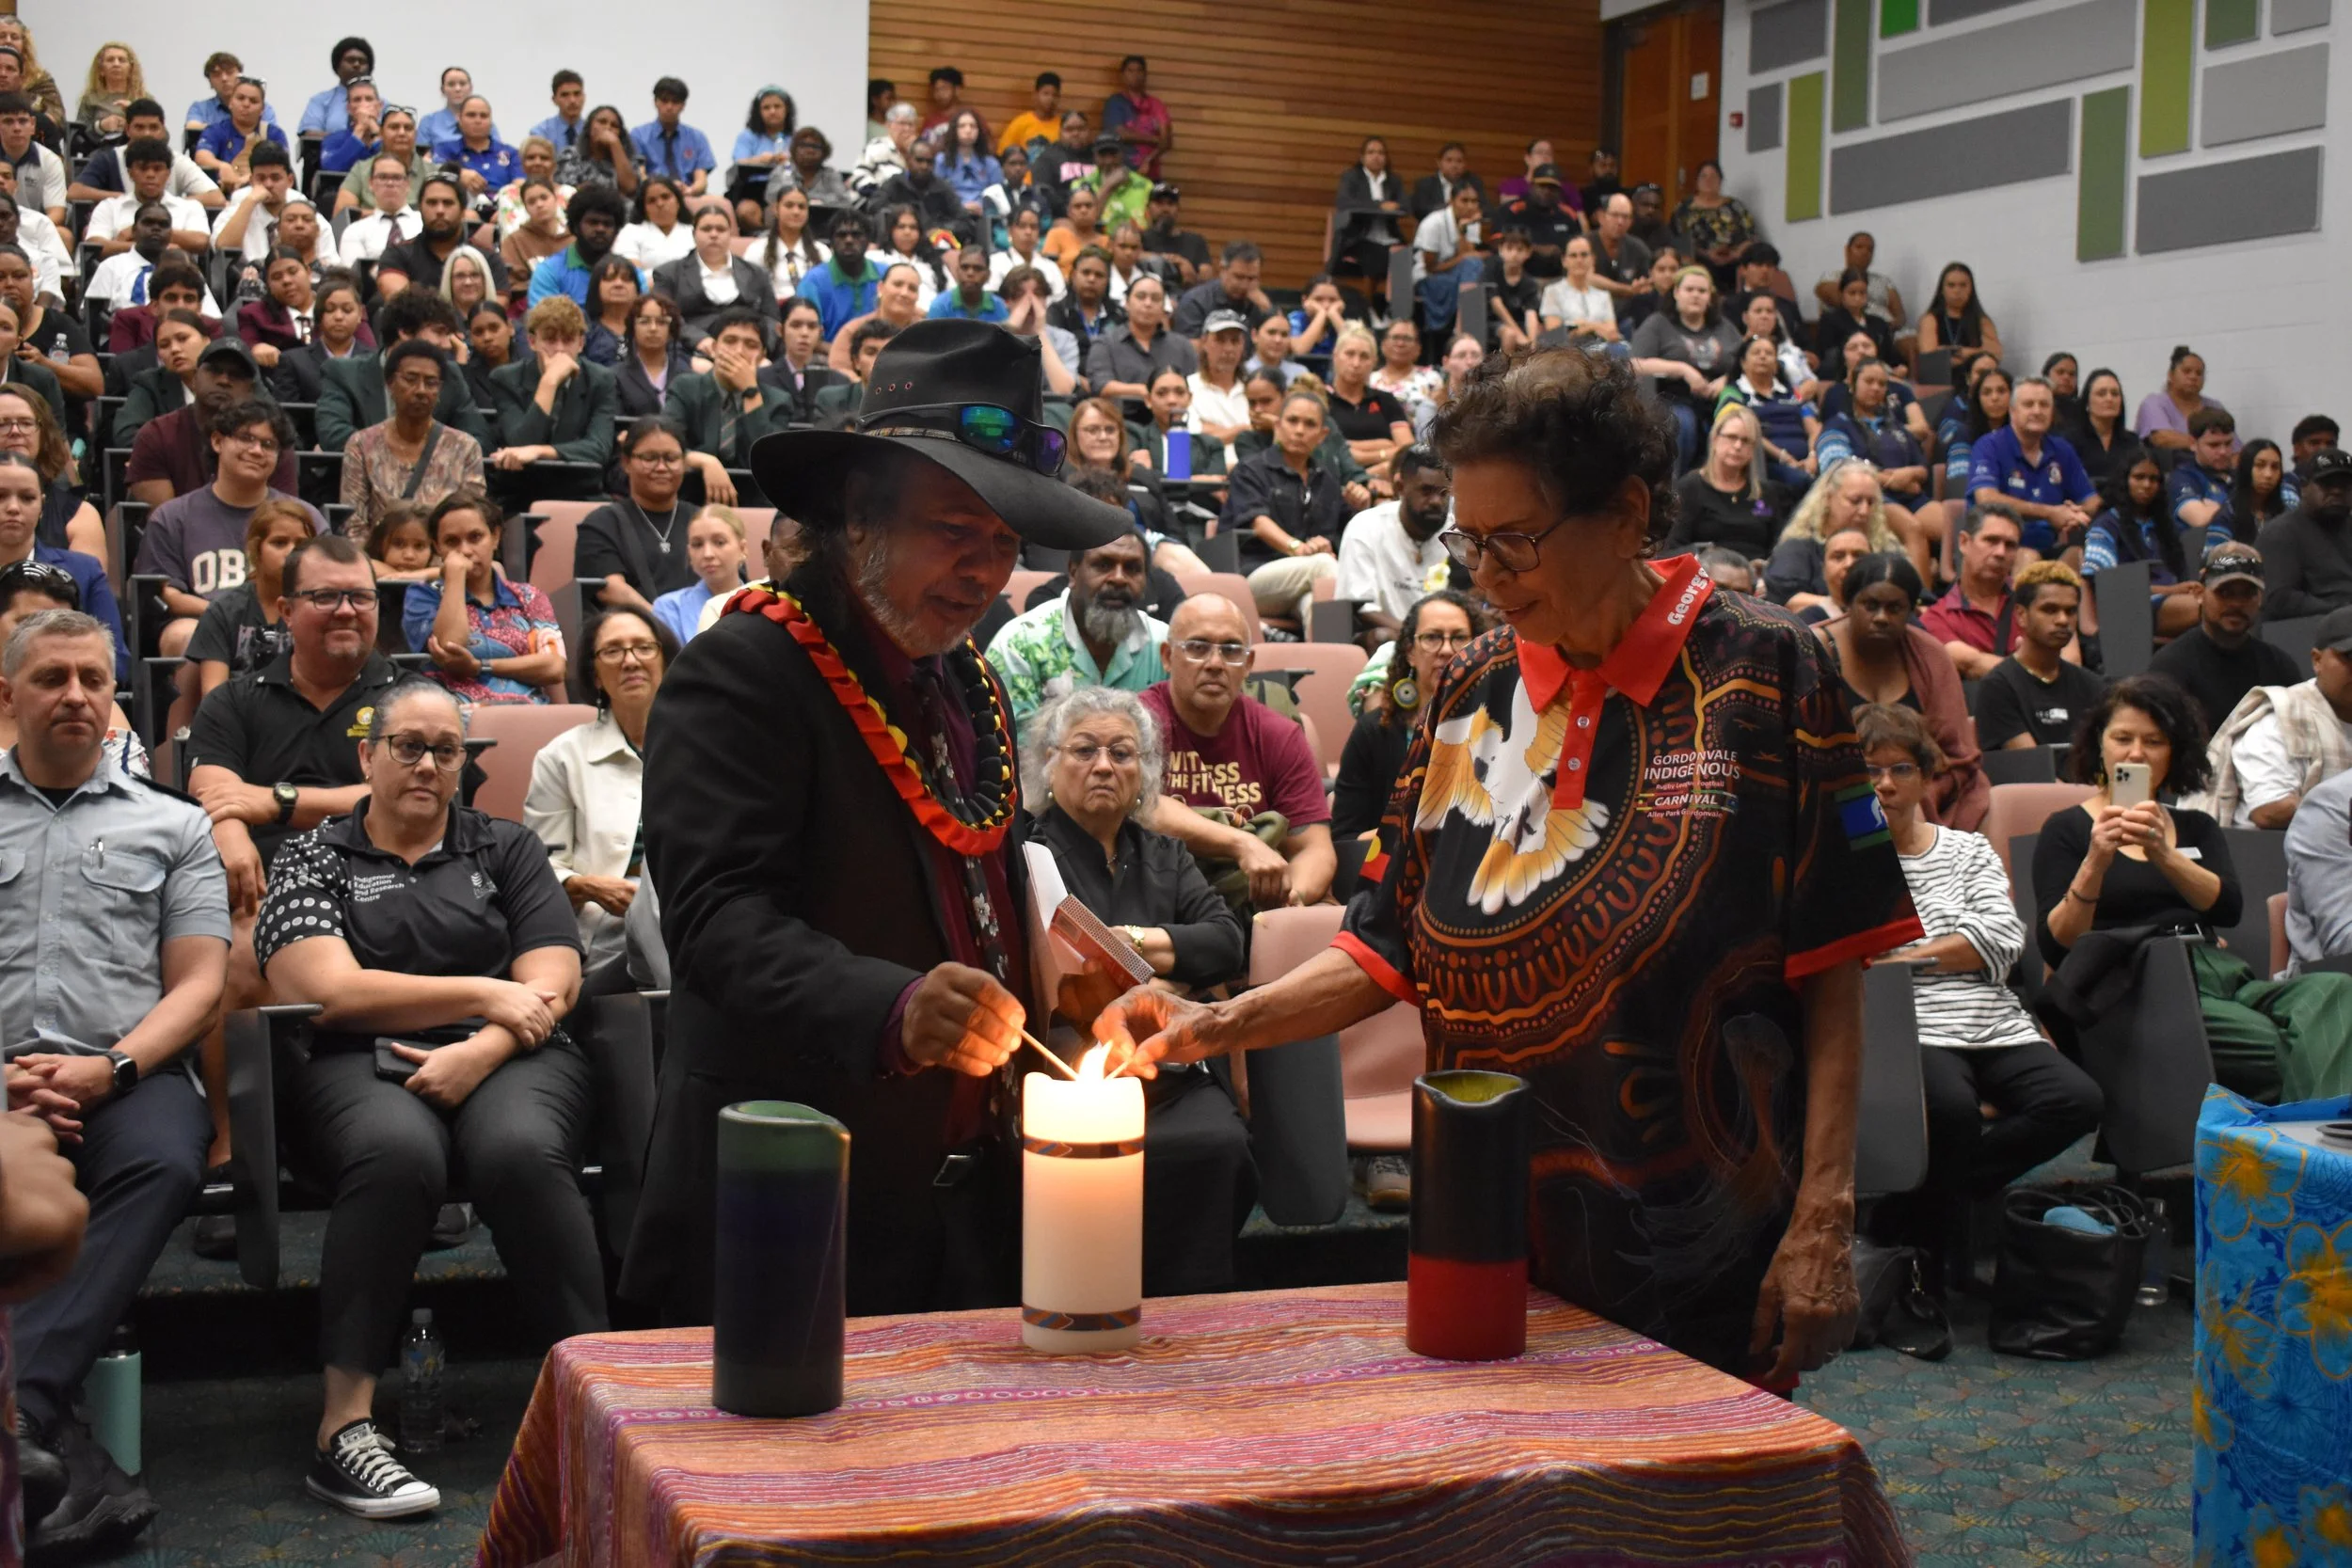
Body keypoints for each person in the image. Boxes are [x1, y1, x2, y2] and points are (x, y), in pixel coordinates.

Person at [1098, 345, 1923, 1384]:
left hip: (1697, 1227)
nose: (1484, 575)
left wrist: (1824, 1213)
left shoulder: (1767, 667)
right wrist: (1206, 1024)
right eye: (1467, 540)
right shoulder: (1471, 684)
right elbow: (1384, 943)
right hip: (1480, 1214)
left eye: (1517, 541)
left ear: (1627, 512)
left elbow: (1834, 961)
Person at [622, 319, 1132, 1324]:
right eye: (955, 529)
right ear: (858, 514)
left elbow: (969, 874)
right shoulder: (745, 668)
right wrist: (892, 1006)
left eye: (1003, 542)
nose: (985, 571)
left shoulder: (966, 680)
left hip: (964, 1208)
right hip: (789, 1192)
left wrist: (1069, 982)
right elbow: (719, 923)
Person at [255, 677, 601, 1517]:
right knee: (396, 1154)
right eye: (407, 746)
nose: (426, 764)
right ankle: (344, 1428)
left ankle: (603, 1400)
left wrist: (484, 1047)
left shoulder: (505, 847)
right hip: (355, 1060)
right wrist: (483, 998)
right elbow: (324, 987)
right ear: (366, 756)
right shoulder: (313, 854)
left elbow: (554, 973)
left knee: (520, 1150)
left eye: (446, 751)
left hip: (512, 1055)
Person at [0, 607, 228, 1559]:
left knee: (169, 1156)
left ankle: (22, 1400)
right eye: (53, 677)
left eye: (94, 678)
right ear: (8, 694)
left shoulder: (172, 824)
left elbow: (203, 980)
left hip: (125, 1069)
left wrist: (111, 1065)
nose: (77, 695)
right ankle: (42, 1434)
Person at [1021, 686, 1253, 1291]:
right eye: (1085, 750)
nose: (1104, 766)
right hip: (1073, 1063)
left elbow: (1226, 942)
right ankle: (1089, 1298)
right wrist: (1168, 970)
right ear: (1050, 762)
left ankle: (1194, 1314)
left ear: (1144, 772)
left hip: (1169, 1062)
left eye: (1123, 753)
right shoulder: (1027, 855)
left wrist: (1130, 940)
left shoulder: (1165, 854)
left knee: (1218, 1144)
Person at [1855, 702, 2102, 1270]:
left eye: (1901, 770)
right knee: (1953, 1112)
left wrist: (1904, 956)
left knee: (2078, 1100)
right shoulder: (1847, 858)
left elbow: (2000, 939)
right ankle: (1939, 1259)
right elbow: (1854, 953)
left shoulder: (1967, 849)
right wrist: (1944, 952)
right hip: (1908, 1024)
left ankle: (1914, 1211)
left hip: (1992, 1018)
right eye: (1870, 771)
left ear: (1925, 778)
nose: (1886, 785)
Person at [2034, 676, 2352, 1101]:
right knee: (2285, 1049)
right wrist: (2095, 860)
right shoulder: (2067, 829)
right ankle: (2319, 1155)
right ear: (2099, 745)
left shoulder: (2195, 826)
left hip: (2218, 972)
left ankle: (2305, 1150)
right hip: (2138, 985)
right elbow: (2057, 944)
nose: (2136, 753)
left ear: (2174, 753)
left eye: (2154, 741)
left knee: (2336, 990)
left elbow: (2227, 908)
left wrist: (2163, 853)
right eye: (2122, 738)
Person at [1141, 595, 1337, 911]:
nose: (1215, 664)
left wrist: (1291, 902)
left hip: (1254, 903)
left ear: (1248, 665)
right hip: (1162, 897)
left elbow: (1313, 849)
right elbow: (1141, 807)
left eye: (1231, 650)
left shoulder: (1277, 733)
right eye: (1198, 647)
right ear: (1167, 656)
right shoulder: (1137, 721)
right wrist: (1242, 843)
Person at [524, 606, 675, 991]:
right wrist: (591, 886)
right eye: (613, 651)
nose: (630, 661)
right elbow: (540, 870)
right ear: (594, 674)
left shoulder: (705, 746)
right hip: (610, 940)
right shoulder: (561, 758)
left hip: (692, 917)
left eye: (644, 647)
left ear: (665, 660)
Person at [1816, 551, 1988, 829]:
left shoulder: (1930, 656)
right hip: (1827, 794)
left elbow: (1957, 756)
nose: (1882, 617)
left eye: (1895, 608)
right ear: (1848, 604)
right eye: (1870, 605)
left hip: (1916, 797)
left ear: (1910, 611)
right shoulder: (1811, 651)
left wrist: (1912, 799)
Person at [138, 399, 324, 657]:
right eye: (246, 438)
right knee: (181, 634)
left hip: (287, 622)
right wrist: (235, 617)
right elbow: (169, 595)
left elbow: (325, 586)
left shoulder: (306, 517)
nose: (257, 450)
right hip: (205, 624)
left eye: (268, 445)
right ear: (217, 441)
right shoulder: (172, 516)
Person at [1331, 590, 1481, 837]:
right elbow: (1345, 837)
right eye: (1432, 637)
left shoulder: (1500, 721)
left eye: (1459, 638)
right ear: (1410, 652)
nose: (1445, 650)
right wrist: (1400, 834)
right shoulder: (1374, 731)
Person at [987, 529, 1168, 733]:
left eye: (1132, 568)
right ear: (1073, 573)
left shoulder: (1165, 646)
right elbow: (1013, 751)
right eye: (1104, 565)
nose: (1119, 578)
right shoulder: (1020, 645)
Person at [399, 492, 564, 705]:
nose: (465, 550)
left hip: (529, 717)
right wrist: (455, 579)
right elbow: (450, 644)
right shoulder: (422, 596)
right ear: (437, 547)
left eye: (475, 537)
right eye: (451, 542)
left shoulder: (529, 597)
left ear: (495, 537)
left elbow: (554, 667)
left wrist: (479, 666)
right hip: (460, 722)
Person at [2198, 605, 2352, 829]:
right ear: (2317, 660)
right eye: (2350, 657)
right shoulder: (2281, 716)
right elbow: (2270, 811)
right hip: (2266, 857)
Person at [1221, 388, 1350, 620]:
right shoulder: (1251, 469)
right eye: (1292, 421)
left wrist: (1323, 545)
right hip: (1252, 576)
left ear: (1322, 435)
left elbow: (1334, 536)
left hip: (1302, 579)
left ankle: (1329, 655)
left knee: (1315, 603)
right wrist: (1297, 548)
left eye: (1310, 424)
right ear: (1278, 426)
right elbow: (1258, 523)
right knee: (1322, 566)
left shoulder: (1327, 480)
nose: (1299, 430)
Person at [339, 341, 488, 541]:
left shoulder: (465, 447)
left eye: (431, 383)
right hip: (379, 564)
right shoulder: (361, 444)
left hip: (444, 564)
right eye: (410, 379)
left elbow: (470, 526)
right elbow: (353, 528)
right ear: (390, 383)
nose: (421, 390)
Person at [2149, 544, 2304, 733]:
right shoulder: (2169, 669)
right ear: (2199, 594)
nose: (2236, 604)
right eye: (2224, 592)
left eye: (2247, 594)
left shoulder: (2280, 667)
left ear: (2260, 599)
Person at [316, 290, 488, 452]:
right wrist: (401, 452)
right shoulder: (344, 373)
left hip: (435, 481)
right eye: (439, 332)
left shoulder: (450, 375)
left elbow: (479, 439)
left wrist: (424, 457)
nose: (446, 344)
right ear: (405, 331)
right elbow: (333, 434)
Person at [1974, 562, 2107, 751]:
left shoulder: (2093, 686)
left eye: (2070, 611)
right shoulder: (1998, 687)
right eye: (2050, 610)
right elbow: (2034, 769)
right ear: (2021, 615)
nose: (2062, 620)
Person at [579, 417, 707, 615]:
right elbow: (610, 589)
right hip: (636, 634)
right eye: (649, 458)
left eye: (671, 459)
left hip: (704, 632)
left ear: (684, 463)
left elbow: (730, 583)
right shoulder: (602, 522)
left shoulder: (704, 521)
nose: (662, 467)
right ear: (626, 462)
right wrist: (665, 624)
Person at [1967, 375, 2097, 560]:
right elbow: (1986, 499)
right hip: (1999, 546)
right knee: (2029, 557)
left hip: (2050, 545)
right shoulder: (1989, 445)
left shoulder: (2061, 449)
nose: (2037, 411)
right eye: (2028, 404)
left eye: (2044, 405)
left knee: (2080, 556)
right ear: (2012, 411)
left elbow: (2092, 500)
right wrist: (2050, 512)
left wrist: (2074, 512)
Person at [188, 499, 311, 693]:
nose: (291, 552)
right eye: (279, 543)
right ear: (256, 549)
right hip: (237, 717)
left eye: (301, 544)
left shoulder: (320, 608)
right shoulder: (224, 611)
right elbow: (213, 695)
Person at [1335, 444, 1454, 641]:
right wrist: (1419, 637)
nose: (1436, 501)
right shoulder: (1365, 527)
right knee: (1382, 638)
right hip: (1391, 637)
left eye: (1443, 493)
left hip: (1447, 638)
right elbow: (1360, 608)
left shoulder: (1457, 535)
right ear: (1400, 488)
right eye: (1426, 491)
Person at [1630, 266, 1744, 469]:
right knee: (1682, 423)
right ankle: (1677, 488)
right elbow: (1636, 364)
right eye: (1689, 289)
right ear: (1676, 293)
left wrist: (1726, 379)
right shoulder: (1658, 323)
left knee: (1743, 421)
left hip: (1720, 398)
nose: (1696, 295)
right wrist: (1683, 369)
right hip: (1672, 397)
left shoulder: (1724, 326)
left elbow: (1745, 361)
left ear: (1710, 296)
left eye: (1702, 291)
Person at [2083, 452, 2206, 639]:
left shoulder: (2164, 527)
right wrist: (2171, 591)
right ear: (2124, 481)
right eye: (2139, 477)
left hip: (2174, 600)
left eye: (2153, 479)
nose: (2147, 485)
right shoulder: (2106, 525)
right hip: (2130, 607)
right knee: (2210, 608)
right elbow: (2107, 585)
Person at [1763, 458, 1902, 613]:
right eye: (1855, 501)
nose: (1864, 511)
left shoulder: (1886, 548)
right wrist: (1853, 609)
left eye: (1871, 503)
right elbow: (1788, 600)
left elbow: (1917, 601)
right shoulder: (1797, 547)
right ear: (1828, 498)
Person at [1666, 402, 1790, 561]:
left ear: (1753, 450)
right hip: (1709, 576)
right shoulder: (1690, 487)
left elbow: (1778, 548)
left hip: (1758, 579)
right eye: (1731, 437)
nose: (1738, 446)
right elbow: (1673, 548)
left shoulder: (1766, 492)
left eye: (1746, 441)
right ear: (1715, 439)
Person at [1922, 504, 2027, 680]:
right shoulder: (1936, 617)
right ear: (1963, 542)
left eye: (2010, 545)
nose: (2001, 553)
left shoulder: (2033, 600)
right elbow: (1970, 663)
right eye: (1991, 541)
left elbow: (2070, 659)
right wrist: (2034, 667)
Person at [654, 205, 777, 346]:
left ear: (730, 234)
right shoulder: (668, 273)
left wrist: (761, 347)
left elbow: (772, 320)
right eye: (706, 229)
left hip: (749, 345)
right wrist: (700, 340)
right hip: (693, 349)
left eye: (721, 229)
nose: (713, 234)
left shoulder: (757, 273)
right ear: (694, 234)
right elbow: (664, 316)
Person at [2256, 449, 2352, 617]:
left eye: (2345, 485)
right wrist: (2343, 610)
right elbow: (2279, 601)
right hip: (2312, 631)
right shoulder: (2281, 533)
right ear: (2304, 487)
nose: (2337, 491)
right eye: (2327, 483)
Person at [0, 384, 89, 555]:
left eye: (26, 423)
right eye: (2, 424)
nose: (15, 431)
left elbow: (83, 579)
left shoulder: (80, 515)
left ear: (44, 433)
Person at [649, 505, 748, 645]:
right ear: (689, 552)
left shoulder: (763, 601)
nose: (707, 554)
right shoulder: (669, 608)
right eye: (697, 544)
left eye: (719, 542)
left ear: (742, 548)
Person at [1669, 162, 1756, 289]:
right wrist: (1706, 254)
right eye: (1703, 176)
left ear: (1720, 181)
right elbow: (1676, 238)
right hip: (1697, 258)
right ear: (1697, 181)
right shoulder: (1684, 208)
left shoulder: (1734, 206)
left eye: (1713, 177)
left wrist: (1734, 254)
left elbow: (1750, 237)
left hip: (1732, 260)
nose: (1708, 181)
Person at [194, 76, 287, 195]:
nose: (246, 104)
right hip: (223, 196)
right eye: (241, 98)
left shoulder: (274, 134)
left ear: (262, 109)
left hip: (264, 193)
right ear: (231, 103)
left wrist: (249, 179)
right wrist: (223, 166)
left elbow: (282, 165)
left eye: (253, 101)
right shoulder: (215, 130)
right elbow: (201, 156)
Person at [1915, 262, 2000, 387]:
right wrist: (1975, 353)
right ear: (1942, 290)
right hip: (1940, 383)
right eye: (1951, 285)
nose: (1957, 291)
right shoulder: (1930, 319)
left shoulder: (1982, 320)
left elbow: (1995, 353)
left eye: (1963, 285)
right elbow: (1930, 357)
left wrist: (1959, 352)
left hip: (1976, 383)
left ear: (1971, 288)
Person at [2135, 344, 2230, 454]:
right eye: (2187, 371)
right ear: (2170, 375)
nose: (2193, 377)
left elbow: (2233, 446)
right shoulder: (2153, 403)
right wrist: (2207, 447)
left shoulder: (2215, 407)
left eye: (2199, 373)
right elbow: (2162, 438)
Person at [630, 77, 714, 196]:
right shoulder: (638, 135)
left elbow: (701, 180)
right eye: (664, 101)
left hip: (688, 194)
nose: (669, 107)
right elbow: (640, 176)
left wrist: (689, 191)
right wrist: (665, 188)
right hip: (652, 196)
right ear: (655, 102)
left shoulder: (697, 137)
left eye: (675, 102)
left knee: (722, 204)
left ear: (683, 106)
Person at [727, 87, 796, 231]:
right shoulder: (747, 136)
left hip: (785, 189)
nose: (772, 111)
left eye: (777, 106)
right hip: (752, 189)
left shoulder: (795, 138)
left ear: (787, 109)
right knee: (747, 212)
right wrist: (761, 159)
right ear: (758, 112)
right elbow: (739, 162)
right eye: (766, 107)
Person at [1173, 241, 1271, 339]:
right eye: (1239, 277)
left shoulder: (1259, 304)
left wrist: (1267, 309)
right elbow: (1188, 348)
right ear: (1222, 270)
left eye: (1251, 278)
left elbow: (1281, 339)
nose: (1244, 285)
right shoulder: (1195, 301)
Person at [1811, 232, 1905, 333]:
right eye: (1859, 247)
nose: (1865, 252)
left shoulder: (1884, 281)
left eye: (1870, 249)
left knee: (1912, 342)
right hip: (1856, 331)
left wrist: (1894, 324)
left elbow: (1900, 315)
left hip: (1890, 330)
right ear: (1847, 250)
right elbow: (1842, 302)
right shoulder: (1831, 277)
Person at [2066, 367, 2142, 486]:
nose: (2109, 399)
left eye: (2115, 394)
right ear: (2087, 402)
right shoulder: (2069, 441)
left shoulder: (2132, 441)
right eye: (2101, 394)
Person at [1101, 55, 1173, 179]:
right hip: (1120, 173)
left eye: (1140, 71)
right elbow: (1120, 134)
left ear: (1145, 75)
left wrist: (1149, 160)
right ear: (1122, 75)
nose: (1135, 75)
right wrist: (1155, 139)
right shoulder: (1115, 102)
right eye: (1130, 71)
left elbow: (1166, 140)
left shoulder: (1156, 104)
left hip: (1150, 173)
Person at [2220, 438, 2296, 544]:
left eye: (2275, 467)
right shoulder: (2228, 512)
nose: (2268, 474)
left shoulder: (2287, 514)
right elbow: (2213, 556)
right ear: (2246, 469)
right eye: (2260, 465)